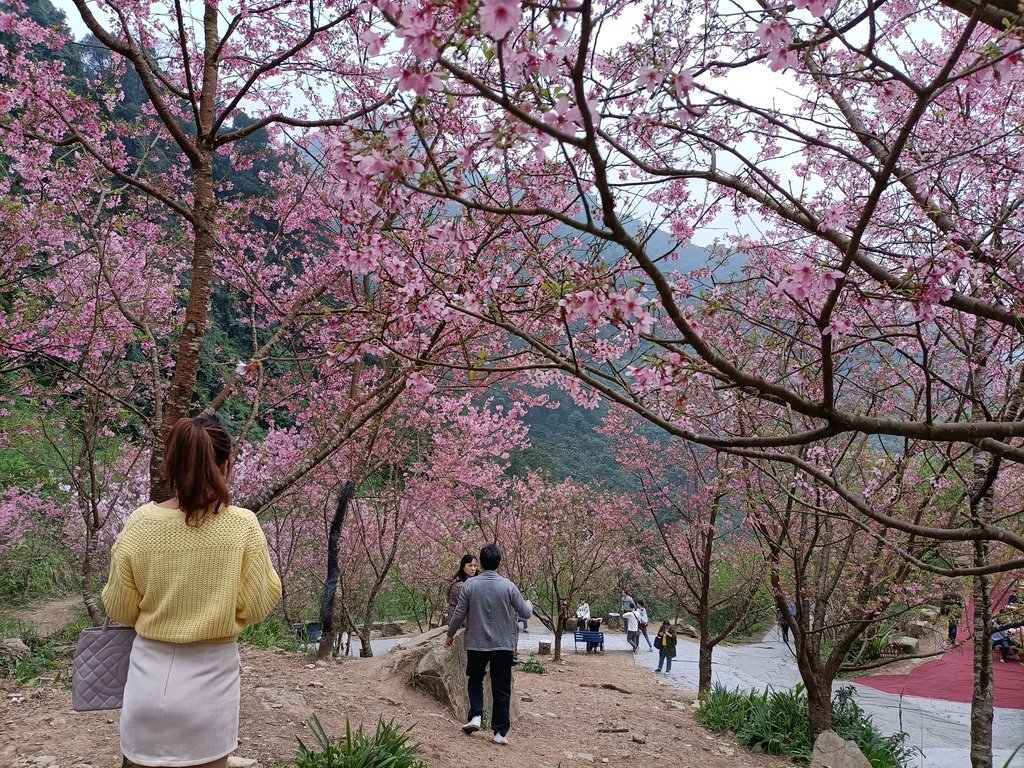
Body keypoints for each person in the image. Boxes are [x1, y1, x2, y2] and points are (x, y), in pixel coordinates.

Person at [102, 415, 282, 768]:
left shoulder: (140, 523)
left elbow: (120, 607)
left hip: (147, 683)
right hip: (211, 687)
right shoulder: (241, 525)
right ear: (226, 465)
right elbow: (258, 603)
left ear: (170, 464)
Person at [446, 543, 532, 746]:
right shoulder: (508, 586)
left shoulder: (470, 585)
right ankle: (500, 733)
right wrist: (528, 604)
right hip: (503, 645)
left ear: (481, 564)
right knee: (501, 687)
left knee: (475, 679)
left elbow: (459, 614)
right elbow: (526, 613)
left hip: (476, 643)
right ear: (499, 563)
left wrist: (450, 634)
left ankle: (476, 716)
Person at [443, 554, 477, 624]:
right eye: (470, 565)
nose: (473, 569)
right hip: (458, 620)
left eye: (475, 565)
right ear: (463, 566)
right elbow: (468, 606)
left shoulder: (470, 581)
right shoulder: (459, 585)